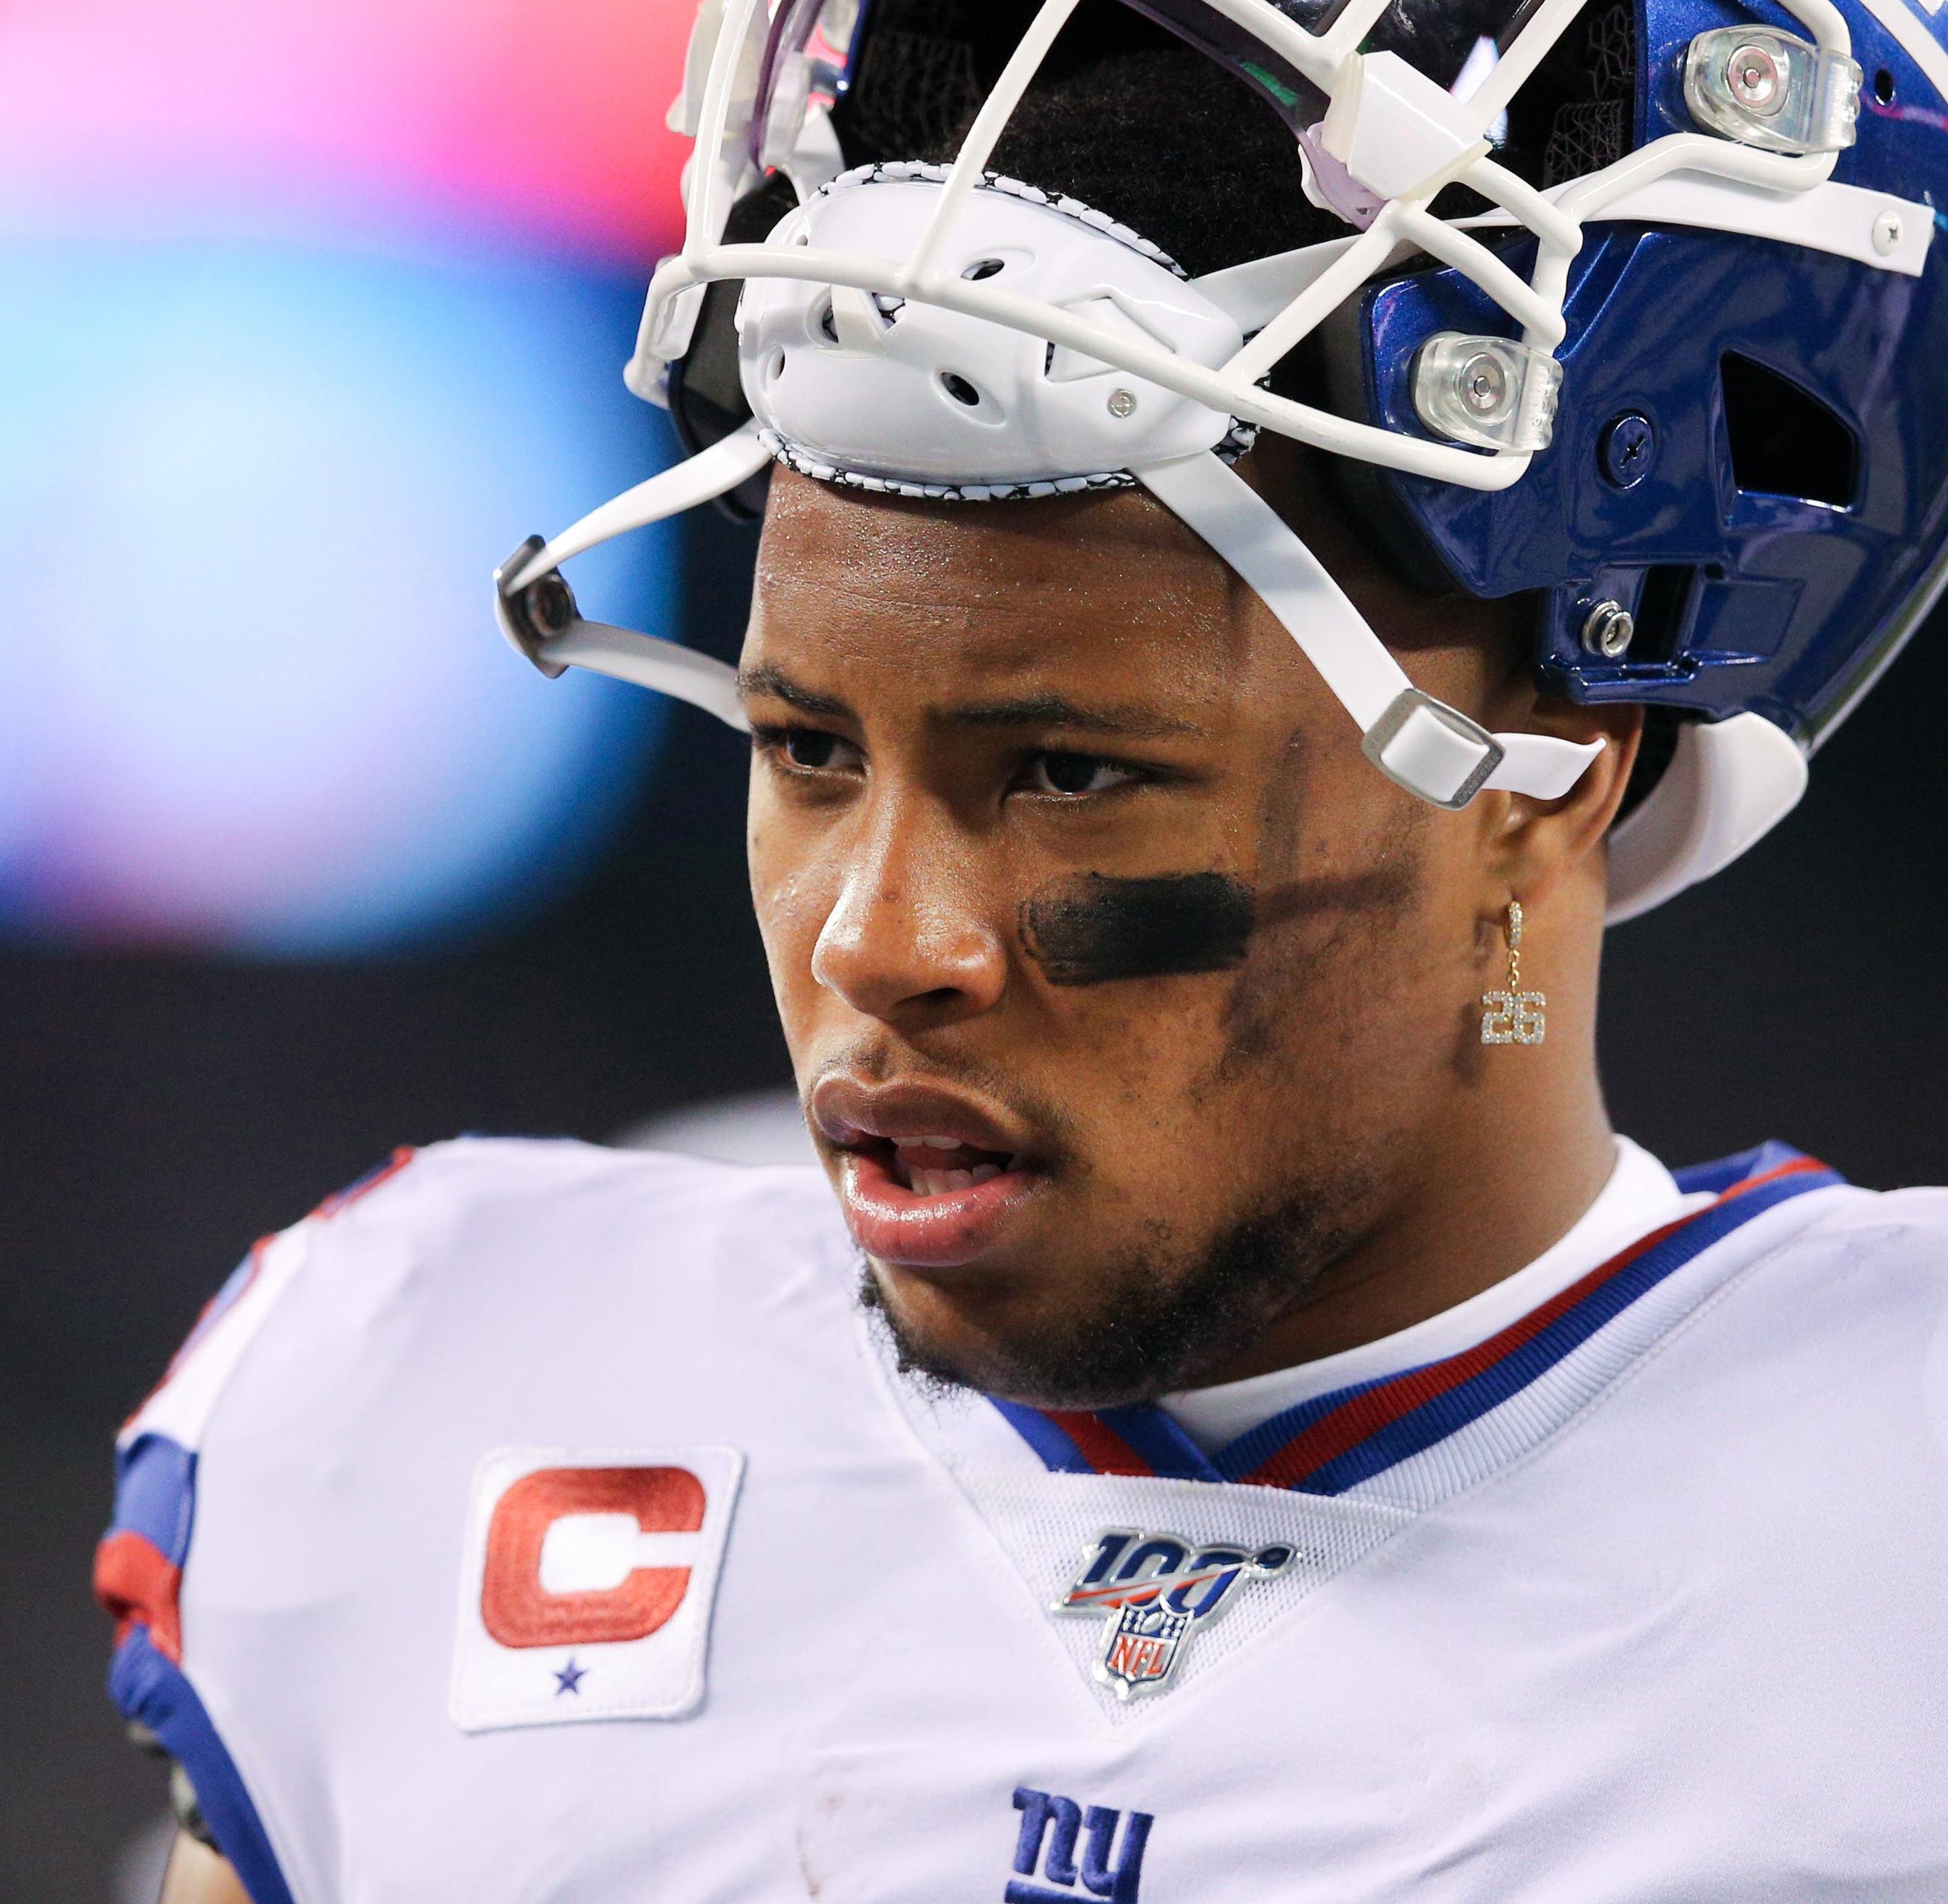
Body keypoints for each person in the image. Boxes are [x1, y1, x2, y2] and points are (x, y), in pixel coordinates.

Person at [95, 0, 1948, 1895]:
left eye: (1069, 771)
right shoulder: (432, 1375)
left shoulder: (1899, 1506)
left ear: (1548, 773)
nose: (882, 945)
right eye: (807, 747)